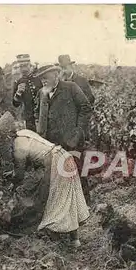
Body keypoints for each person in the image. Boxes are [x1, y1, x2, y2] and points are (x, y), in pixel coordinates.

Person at [0, 112, 89, 247]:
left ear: (6, 136)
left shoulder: (18, 147)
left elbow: (20, 175)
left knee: (55, 201)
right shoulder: (25, 133)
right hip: (65, 157)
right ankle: (74, 239)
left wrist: (12, 187)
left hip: (56, 163)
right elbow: (35, 154)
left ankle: (58, 242)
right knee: (68, 198)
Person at [35, 64, 93, 205]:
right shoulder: (41, 93)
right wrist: (40, 132)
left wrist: (78, 132)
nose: (44, 81)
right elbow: (37, 113)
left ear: (55, 76)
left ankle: (85, 205)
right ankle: (66, 207)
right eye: (42, 79)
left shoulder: (70, 88)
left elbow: (86, 108)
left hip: (71, 139)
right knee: (57, 175)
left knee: (77, 172)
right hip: (51, 142)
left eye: (46, 78)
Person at [12, 54, 43, 132]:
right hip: (29, 119)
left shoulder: (39, 79)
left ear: (30, 65)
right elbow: (15, 104)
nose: (24, 69)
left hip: (42, 116)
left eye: (25, 65)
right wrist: (18, 93)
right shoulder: (18, 82)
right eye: (21, 66)